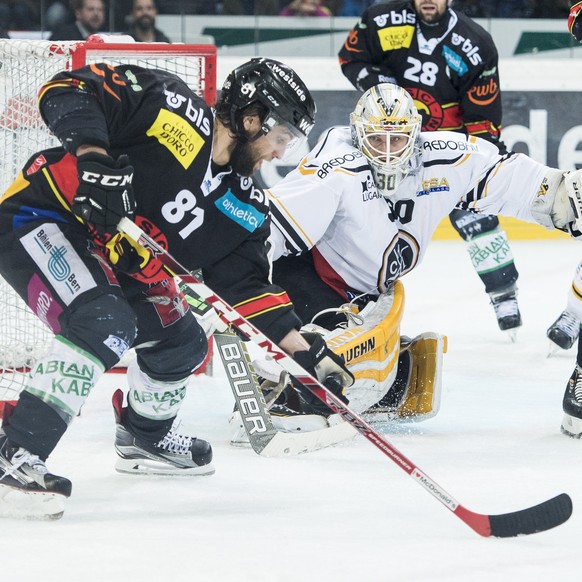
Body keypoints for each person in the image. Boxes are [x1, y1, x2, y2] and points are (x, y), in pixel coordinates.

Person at [0, 58, 353, 519]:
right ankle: (16, 450)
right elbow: (66, 88)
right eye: (281, 137)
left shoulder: (246, 205)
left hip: (115, 262)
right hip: (45, 220)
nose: (281, 153)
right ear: (251, 119)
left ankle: (143, 436)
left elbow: (242, 286)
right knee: (104, 321)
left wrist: (304, 353)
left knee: (182, 340)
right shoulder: (171, 107)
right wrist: (92, 159)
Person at [265, 83, 582, 430]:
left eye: (397, 140)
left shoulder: (442, 159)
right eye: (376, 140)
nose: (387, 153)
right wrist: (234, 276)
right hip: (301, 278)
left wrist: (562, 194)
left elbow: (510, 179)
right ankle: (282, 386)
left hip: (361, 295)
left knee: (398, 382)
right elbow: (272, 229)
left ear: (415, 136)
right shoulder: (336, 166)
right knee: (329, 378)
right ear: (358, 135)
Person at [338, 0, 523, 338]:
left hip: (446, 147)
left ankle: (503, 290)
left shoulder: (475, 43)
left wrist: (478, 160)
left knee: (475, 217)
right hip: (390, 142)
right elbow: (351, 57)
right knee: (369, 219)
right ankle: (357, 300)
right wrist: (385, 87)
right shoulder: (382, 21)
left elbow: (482, 117)